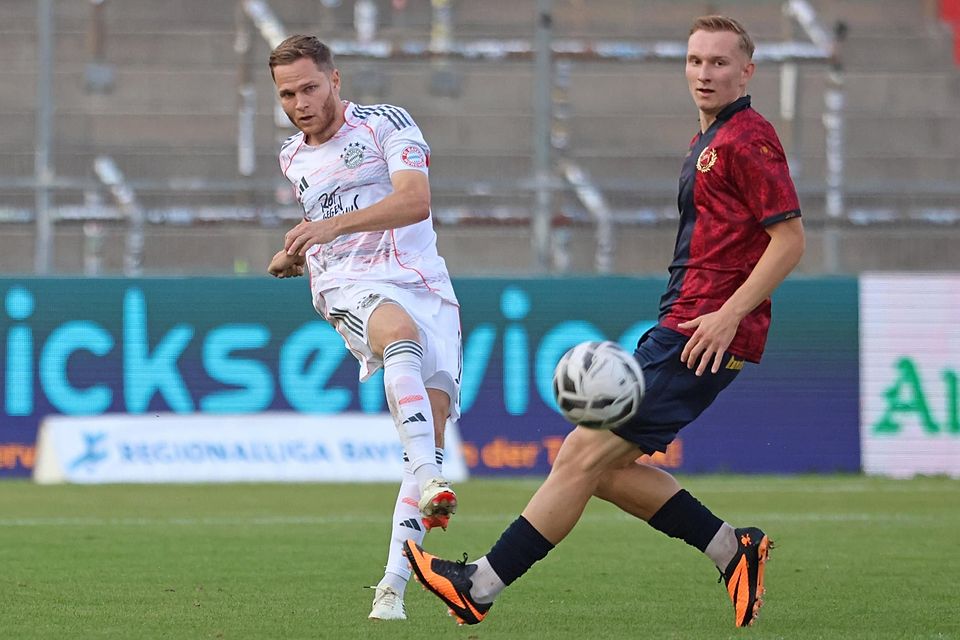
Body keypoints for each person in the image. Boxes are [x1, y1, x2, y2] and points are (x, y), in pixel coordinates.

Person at [404, 15, 805, 628]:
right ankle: (732, 548)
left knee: (580, 459)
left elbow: (790, 240)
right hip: (684, 324)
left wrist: (728, 316)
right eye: (696, 60)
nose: (704, 73)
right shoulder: (709, 139)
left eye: (719, 63)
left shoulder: (748, 137)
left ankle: (479, 586)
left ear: (747, 71)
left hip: (703, 333)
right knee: (598, 465)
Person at [265, 35, 463, 621]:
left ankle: (391, 591)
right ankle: (430, 478)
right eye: (287, 94)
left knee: (428, 430)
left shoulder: (385, 125)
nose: (300, 103)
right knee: (396, 332)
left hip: (427, 284)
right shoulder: (292, 155)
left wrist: (311, 238)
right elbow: (323, 224)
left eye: (309, 87)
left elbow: (415, 200)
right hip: (348, 284)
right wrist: (305, 251)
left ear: (336, 80)